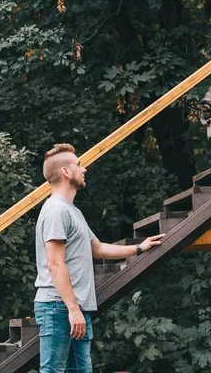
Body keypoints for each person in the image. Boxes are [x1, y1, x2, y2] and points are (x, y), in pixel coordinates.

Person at [34, 143, 164, 372]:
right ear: (65, 172)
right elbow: (55, 264)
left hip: (75, 307)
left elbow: (98, 249)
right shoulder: (56, 210)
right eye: (78, 165)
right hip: (58, 306)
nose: (84, 170)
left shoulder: (73, 211)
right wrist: (72, 309)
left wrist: (139, 248)